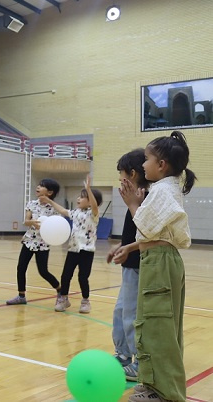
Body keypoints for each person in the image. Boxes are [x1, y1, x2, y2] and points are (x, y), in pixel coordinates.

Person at [115, 131, 195, 402]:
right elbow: (153, 234)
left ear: (161, 165)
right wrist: (129, 246)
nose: (143, 165)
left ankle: (165, 393)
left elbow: (147, 227)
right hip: (157, 258)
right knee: (151, 324)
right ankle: (152, 384)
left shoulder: (162, 189)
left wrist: (132, 204)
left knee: (158, 326)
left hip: (160, 262)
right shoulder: (165, 187)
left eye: (147, 159)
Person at [106, 149, 148, 382]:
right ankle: (122, 353)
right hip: (129, 263)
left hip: (139, 264)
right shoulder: (135, 196)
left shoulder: (144, 197)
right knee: (120, 311)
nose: (120, 180)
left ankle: (140, 362)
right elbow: (133, 232)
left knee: (131, 314)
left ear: (132, 173)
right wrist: (121, 246)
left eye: (122, 175)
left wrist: (129, 249)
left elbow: (147, 231)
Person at [40, 176, 102, 313]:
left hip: (87, 251)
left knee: (83, 277)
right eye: (79, 196)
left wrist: (89, 190)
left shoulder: (94, 214)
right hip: (73, 249)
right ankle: (63, 299)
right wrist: (49, 201)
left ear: (90, 200)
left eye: (82, 197)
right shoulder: (75, 212)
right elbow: (62, 211)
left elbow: (95, 205)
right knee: (65, 275)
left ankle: (85, 301)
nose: (78, 199)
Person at [6, 178, 62, 305]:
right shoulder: (31, 204)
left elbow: (58, 225)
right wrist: (32, 223)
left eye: (42, 186)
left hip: (43, 243)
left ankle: (60, 290)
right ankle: (21, 296)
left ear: (50, 192)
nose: (38, 187)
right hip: (29, 240)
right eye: (39, 185)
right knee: (21, 268)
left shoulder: (54, 209)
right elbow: (26, 221)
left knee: (43, 271)